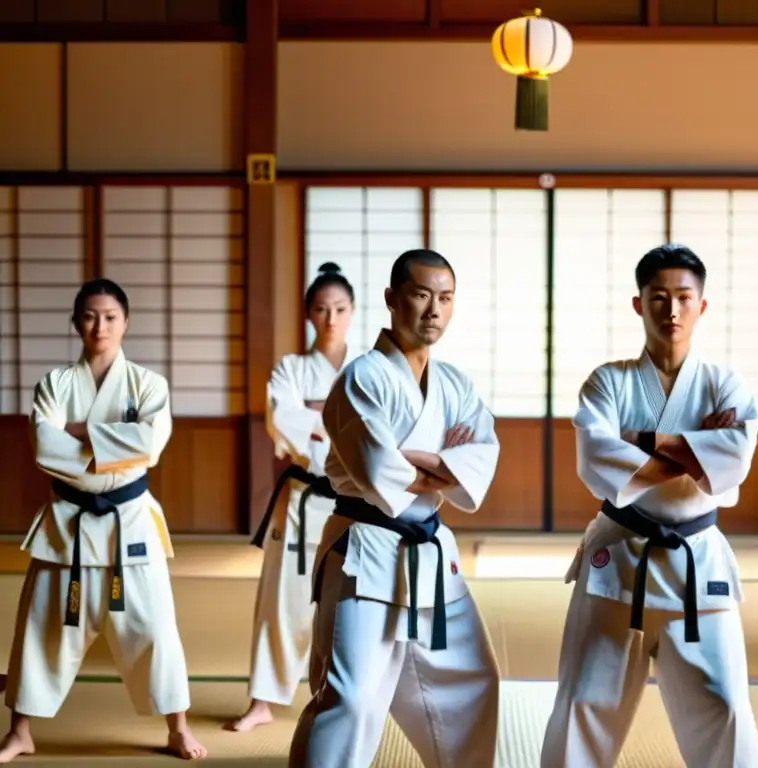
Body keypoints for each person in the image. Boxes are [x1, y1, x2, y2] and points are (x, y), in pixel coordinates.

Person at [540, 244, 758, 768]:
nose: (672, 310)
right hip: (619, 555)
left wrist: (638, 442)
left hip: (697, 561)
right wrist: (692, 450)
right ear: (638, 304)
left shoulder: (724, 385)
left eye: (684, 297)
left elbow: (733, 460)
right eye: (658, 297)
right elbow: (596, 456)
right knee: (584, 705)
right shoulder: (607, 381)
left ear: (701, 306)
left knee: (726, 706)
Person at [288, 249, 501, 768]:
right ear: (391, 299)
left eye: (445, 298)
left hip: (429, 551)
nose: (434, 309)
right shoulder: (363, 378)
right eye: (422, 294)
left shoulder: (454, 383)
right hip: (367, 548)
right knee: (352, 699)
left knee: (474, 683)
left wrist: (427, 462)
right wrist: (448, 464)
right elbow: (380, 471)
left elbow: (484, 454)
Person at [0, 279, 206, 762]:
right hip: (67, 524)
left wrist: (79, 434)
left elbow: (149, 446)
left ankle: (177, 727)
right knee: (40, 627)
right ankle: (21, 731)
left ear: (126, 322)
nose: (101, 325)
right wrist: (112, 441)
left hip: (128, 522)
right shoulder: (54, 383)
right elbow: (44, 447)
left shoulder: (149, 384)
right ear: (76, 323)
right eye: (90, 316)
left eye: (111, 316)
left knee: (155, 626)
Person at [228, 263, 354, 732]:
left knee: (355, 599)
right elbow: (284, 419)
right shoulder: (291, 368)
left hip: (355, 502)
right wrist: (338, 426)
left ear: (353, 311)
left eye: (340, 309)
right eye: (321, 309)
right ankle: (264, 699)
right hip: (303, 497)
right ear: (308, 314)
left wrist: (319, 416)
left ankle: (343, 694)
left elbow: (379, 430)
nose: (331, 319)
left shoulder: (368, 368)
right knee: (283, 598)